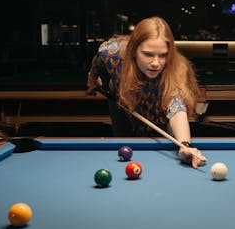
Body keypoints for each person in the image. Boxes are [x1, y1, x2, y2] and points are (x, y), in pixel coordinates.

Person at [86, 16, 207, 168]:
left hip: (158, 108)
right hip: (123, 102)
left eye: (162, 55)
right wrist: (92, 79)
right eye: (148, 54)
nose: (156, 63)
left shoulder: (176, 70)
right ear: (134, 51)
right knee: (123, 145)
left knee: (163, 145)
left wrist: (185, 144)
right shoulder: (111, 53)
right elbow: (98, 62)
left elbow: (177, 108)